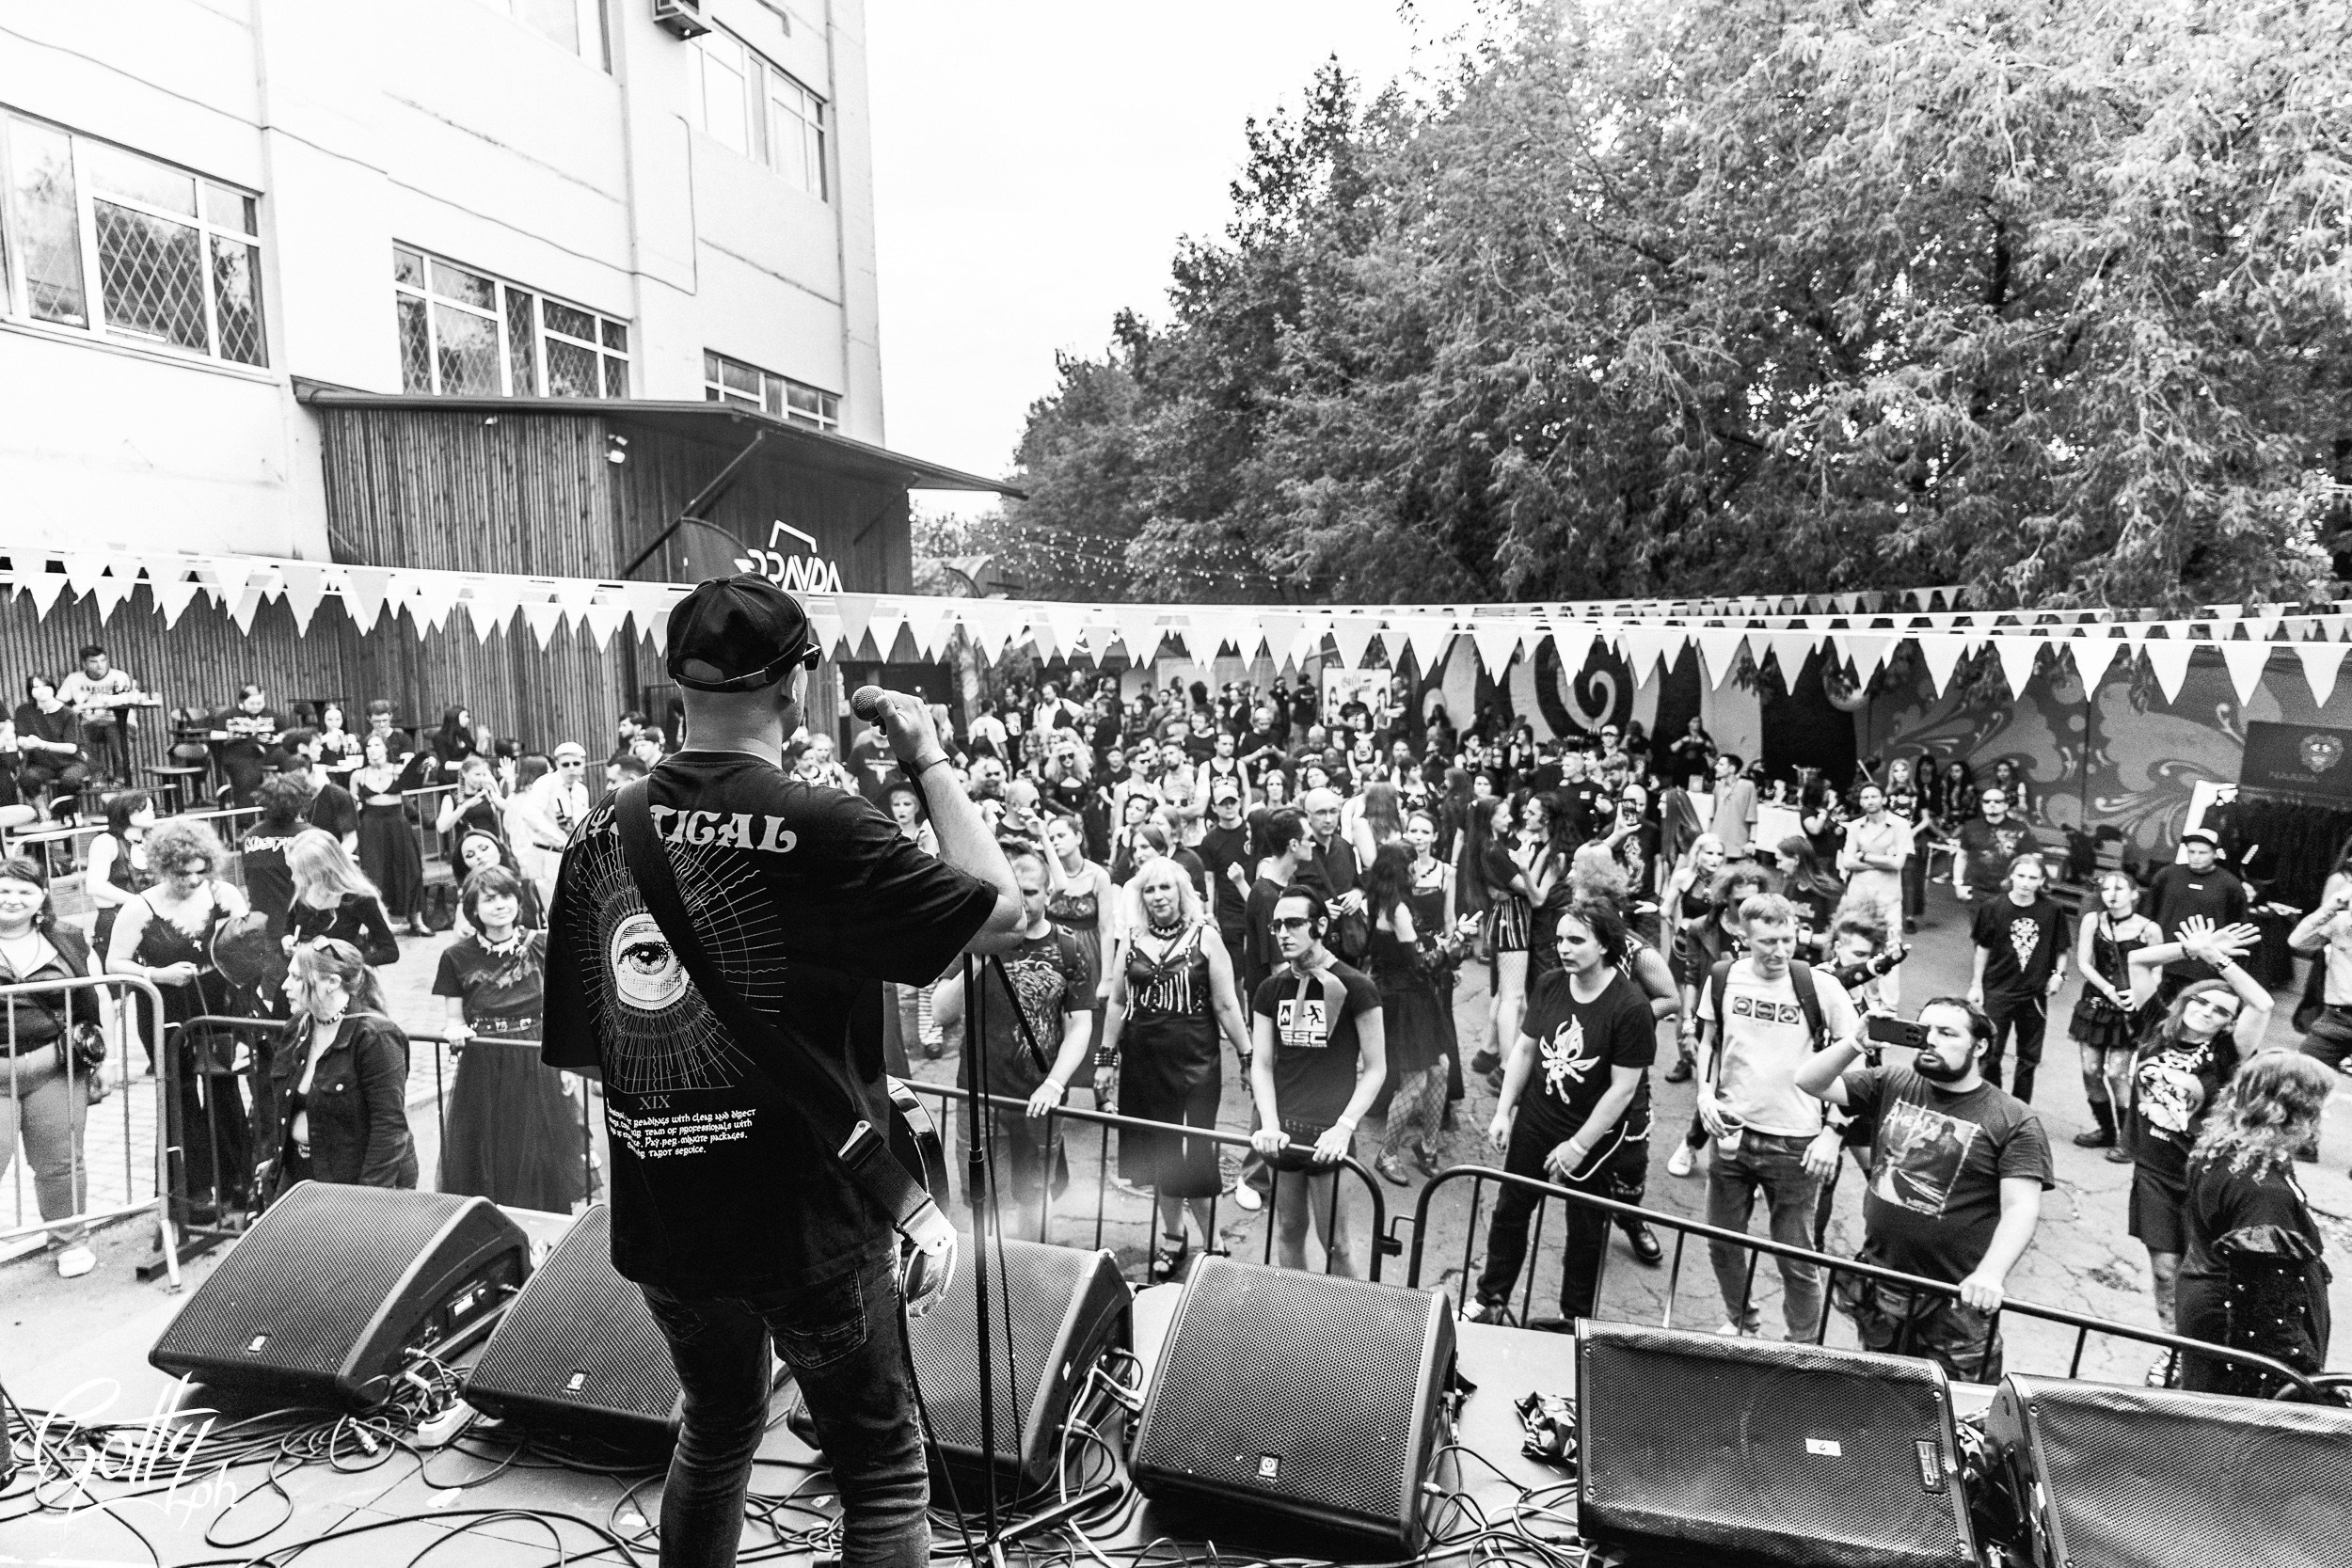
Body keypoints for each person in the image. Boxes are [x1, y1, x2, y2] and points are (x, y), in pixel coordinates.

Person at [544, 574, 1022, 1568]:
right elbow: (1007, 915)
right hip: (812, 1216)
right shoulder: (828, 827)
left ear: (677, 685)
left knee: (713, 1430)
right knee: (881, 1472)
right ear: (798, 683)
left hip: (667, 1209)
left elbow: (594, 1047)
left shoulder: (595, 833)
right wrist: (927, 757)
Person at [1795, 997, 2054, 1383]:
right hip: (1882, 1282)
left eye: (1947, 1033)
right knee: (1883, 1394)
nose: (1930, 1041)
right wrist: (1856, 1041)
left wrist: (1990, 1275)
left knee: (1953, 1410)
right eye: (1924, 1030)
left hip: (1954, 1301)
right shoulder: (1891, 1081)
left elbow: (2021, 1207)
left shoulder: (2013, 1120)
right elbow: (1809, 1081)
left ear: (1978, 1047)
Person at [1467, 899, 1655, 1324]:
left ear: (1605, 945)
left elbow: (1623, 1089)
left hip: (1594, 1140)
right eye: (1560, 940)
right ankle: (1490, 1298)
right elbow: (1526, 1049)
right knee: (1510, 1211)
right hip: (1536, 1121)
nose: (1564, 948)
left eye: (1576, 940)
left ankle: (1575, 1322)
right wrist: (1502, 1112)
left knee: (1586, 1232)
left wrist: (1578, 1144)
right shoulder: (1551, 984)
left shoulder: (1630, 1007)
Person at [1692, 894, 1859, 1339]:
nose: (1780, 951)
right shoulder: (1724, 978)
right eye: (1767, 941)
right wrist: (1705, 1094)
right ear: (1741, 937)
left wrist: (1833, 1133)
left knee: (1796, 1256)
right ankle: (1741, 1321)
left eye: (1787, 939)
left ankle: (1803, 1346)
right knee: (1723, 1243)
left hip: (1796, 1142)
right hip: (1732, 1133)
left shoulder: (1820, 986)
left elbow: (1857, 1063)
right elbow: (1708, 1042)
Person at [1084, 857, 1253, 1279]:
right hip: (1143, 1060)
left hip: (1195, 1060)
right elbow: (1120, 1004)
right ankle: (1174, 1236)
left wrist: (1248, 1057)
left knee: (1192, 1154)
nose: (1158, 897)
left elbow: (1227, 1003)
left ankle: (1212, 1241)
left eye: (1166, 889)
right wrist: (1104, 1061)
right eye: (1150, 890)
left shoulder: (1206, 938)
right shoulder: (1133, 939)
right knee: (1159, 1152)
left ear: (1182, 893)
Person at [2121, 920, 2273, 1369]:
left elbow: (2261, 1003)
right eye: (2200, 1002)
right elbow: (2137, 959)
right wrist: (2190, 947)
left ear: (2229, 1023)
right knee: (2165, 1268)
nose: (2207, 1011)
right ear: (2184, 1002)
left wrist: (2218, 961)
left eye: (2220, 1010)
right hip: (2152, 1170)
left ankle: (2207, 1352)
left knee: (2203, 1274)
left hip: (2202, 1176)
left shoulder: (2228, 1053)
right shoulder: (2154, 1026)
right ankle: (2175, 1351)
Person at [936, 845, 1092, 1240]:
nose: (1023, 902)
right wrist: (983, 957)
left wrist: (1055, 1083)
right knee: (984, 1200)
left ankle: (1031, 1272)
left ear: (1049, 893)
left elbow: (1080, 1025)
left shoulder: (1069, 947)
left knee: (1036, 1197)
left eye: (1032, 892)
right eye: (1014, 893)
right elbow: (940, 1012)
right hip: (980, 1099)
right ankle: (985, 1277)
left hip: (1038, 1099)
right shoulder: (975, 942)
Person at [106, 816, 254, 1224]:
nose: (192, 880)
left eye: (200, 871)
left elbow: (246, 947)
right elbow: (113, 962)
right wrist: (157, 975)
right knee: (181, 1096)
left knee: (225, 1090)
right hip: (166, 1006)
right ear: (163, 866)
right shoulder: (141, 906)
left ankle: (239, 1182)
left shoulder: (223, 894)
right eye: (181, 873)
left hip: (218, 1003)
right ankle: (194, 1192)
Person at [2176, 1052, 2336, 1398]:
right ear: (2293, 1111)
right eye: (2319, 1106)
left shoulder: (2223, 1152)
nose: (2323, 1116)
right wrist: (2304, 1380)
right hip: (2232, 1324)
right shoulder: (2264, 1192)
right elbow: (2267, 1310)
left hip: (2206, 1303)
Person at [1249, 888, 1386, 1275]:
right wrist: (1269, 1123)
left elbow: (1376, 1068)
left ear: (1321, 925)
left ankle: (1353, 1327)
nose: (1282, 933)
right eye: (1277, 925)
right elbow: (1261, 1063)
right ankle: (1294, 1317)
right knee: (1289, 1230)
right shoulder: (1270, 989)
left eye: (1294, 923)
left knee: (1337, 1245)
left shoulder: (1357, 985)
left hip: (1329, 1136)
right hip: (1282, 1133)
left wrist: (1344, 1128)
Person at [435, 865, 584, 1212]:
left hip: (535, 1053)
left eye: (506, 896)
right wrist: (455, 1031)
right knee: (488, 1146)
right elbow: (453, 1019)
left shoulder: (543, 944)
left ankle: (546, 1229)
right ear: (473, 908)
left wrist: (568, 1064)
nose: (500, 905)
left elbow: (565, 1008)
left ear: (518, 900)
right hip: (485, 1060)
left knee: (539, 1147)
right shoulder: (455, 956)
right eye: (489, 899)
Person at [0, 856, 107, 1276]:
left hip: (53, 1068)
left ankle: (69, 1241)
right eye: (3, 889)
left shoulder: (67, 938)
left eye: (24, 890)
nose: (12, 899)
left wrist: (105, 1059)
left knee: (62, 1161)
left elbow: (93, 1000)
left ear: (42, 897)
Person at [259, 938, 417, 1199]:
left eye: (297, 978)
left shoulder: (376, 1037)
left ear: (332, 983)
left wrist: (369, 1199)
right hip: (301, 1174)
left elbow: (389, 1127)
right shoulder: (297, 1027)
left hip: (357, 1182)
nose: (285, 987)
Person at [1363, 844, 1451, 1185]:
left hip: (1410, 999)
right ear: (1404, 869)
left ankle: (1427, 1146)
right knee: (1414, 1084)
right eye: (1413, 865)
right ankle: (1387, 1154)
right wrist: (1448, 947)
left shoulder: (1386, 902)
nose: (1418, 870)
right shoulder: (1397, 909)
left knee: (1439, 1070)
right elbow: (1421, 965)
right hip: (1406, 1003)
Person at [2069, 870, 2161, 1157]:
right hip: (2096, 1004)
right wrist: (2108, 990)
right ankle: (2106, 1130)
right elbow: (2084, 962)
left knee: (2118, 1074)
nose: (2111, 894)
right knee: (2090, 1070)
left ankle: (2128, 1139)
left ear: (2134, 894)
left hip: (2130, 1010)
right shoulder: (2092, 921)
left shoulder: (2149, 929)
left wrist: (2138, 995)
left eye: (2119, 888)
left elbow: (2157, 971)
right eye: (2106, 888)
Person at [1965, 852, 2070, 1101]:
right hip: (1998, 989)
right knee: (1991, 1052)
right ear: (2011, 875)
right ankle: (1994, 1102)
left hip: (2033, 994)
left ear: (2042, 880)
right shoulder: (1992, 907)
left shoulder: (2052, 910)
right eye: (2021, 876)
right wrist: (1976, 984)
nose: (2026, 883)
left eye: (2033, 877)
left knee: (2029, 1057)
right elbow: (1983, 948)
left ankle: (2020, 1107)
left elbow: (2062, 948)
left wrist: (2058, 975)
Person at [2146, 827, 2249, 1006]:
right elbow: (2148, 914)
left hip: (2201, 967)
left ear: (2215, 854)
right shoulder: (2167, 875)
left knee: (2188, 1014)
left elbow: (2236, 926)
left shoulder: (2231, 886)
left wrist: (2226, 966)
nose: (2195, 856)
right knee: (2151, 1011)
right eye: (2191, 851)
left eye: (2202, 852)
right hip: (2163, 958)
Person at [285, 830, 402, 963]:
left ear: (321, 869)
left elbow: (390, 952)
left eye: (300, 871)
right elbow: (289, 926)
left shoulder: (359, 899)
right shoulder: (300, 887)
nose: (294, 877)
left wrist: (346, 962)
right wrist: (287, 938)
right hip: (304, 972)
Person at [354, 734, 429, 935]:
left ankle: (416, 919)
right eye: (368, 746)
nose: (372, 749)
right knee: (374, 873)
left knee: (411, 870)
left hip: (397, 823)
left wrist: (426, 766)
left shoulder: (398, 770)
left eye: (377, 744)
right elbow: (353, 804)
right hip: (371, 825)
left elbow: (416, 784)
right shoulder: (358, 775)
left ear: (386, 749)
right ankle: (379, 923)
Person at [510, 740, 591, 907]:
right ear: (557, 765)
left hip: (571, 854)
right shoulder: (546, 783)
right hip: (546, 854)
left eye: (576, 763)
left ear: (583, 764)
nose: (571, 768)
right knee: (552, 907)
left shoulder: (581, 790)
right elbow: (530, 813)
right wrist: (559, 840)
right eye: (565, 764)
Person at [86, 789, 158, 960]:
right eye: (144, 809)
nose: (151, 813)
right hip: (116, 918)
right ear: (125, 812)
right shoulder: (105, 842)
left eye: (152, 808)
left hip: (150, 919)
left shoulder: (152, 841)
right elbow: (95, 885)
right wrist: (139, 902)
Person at [57, 644, 140, 785]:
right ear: (85, 664)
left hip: (120, 721)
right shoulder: (74, 679)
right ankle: (97, 771)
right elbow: (59, 704)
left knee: (113, 730)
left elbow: (130, 699)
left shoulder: (119, 676)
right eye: (94, 662)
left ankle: (122, 776)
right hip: (90, 723)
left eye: (103, 661)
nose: (100, 666)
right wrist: (73, 710)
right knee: (75, 735)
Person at [13, 674, 89, 818]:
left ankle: (63, 814)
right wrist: (23, 742)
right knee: (27, 778)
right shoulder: (23, 711)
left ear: (53, 689)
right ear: (30, 692)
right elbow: (19, 737)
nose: (41, 690)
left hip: (71, 762)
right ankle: (42, 810)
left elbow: (72, 748)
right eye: (35, 687)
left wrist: (43, 745)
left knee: (70, 780)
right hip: (41, 764)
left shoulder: (68, 713)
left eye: (45, 686)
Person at [1953, 787, 2032, 905]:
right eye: (1987, 801)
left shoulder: (2020, 829)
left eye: (1997, 801)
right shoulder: (1970, 827)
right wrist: (1958, 884)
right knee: (1978, 923)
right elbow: (1961, 856)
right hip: (1976, 892)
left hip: (2009, 893)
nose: (1992, 804)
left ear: (2005, 805)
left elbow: (2029, 862)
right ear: (1982, 805)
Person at [216, 685, 282, 808]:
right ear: (242, 701)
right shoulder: (229, 714)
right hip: (239, 756)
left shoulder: (270, 714)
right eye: (252, 704)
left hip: (268, 754)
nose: (256, 707)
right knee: (246, 778)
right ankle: (246, 824)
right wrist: (230, 734)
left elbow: (286, 733)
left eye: (260, 703)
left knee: (293, 761)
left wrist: (275, 738)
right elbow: (213, 734)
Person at [1709, 752, 1757, 859]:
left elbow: (1752, 817)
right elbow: (1712, 816)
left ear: (1732, 768)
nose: (1716, 767)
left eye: (1721, 764)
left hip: (1737, 844)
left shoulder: (1748, 786)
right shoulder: (1717, 787)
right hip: (1716, 843)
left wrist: (1752, 841)